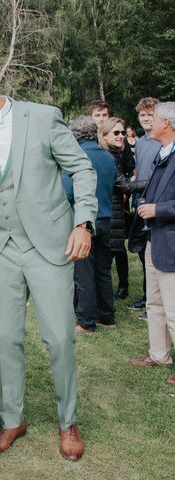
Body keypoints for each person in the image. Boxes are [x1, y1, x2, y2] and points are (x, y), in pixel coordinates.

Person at [0, 58, 97, 461]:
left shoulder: (44, 117)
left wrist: (83, 222)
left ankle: (68, 421)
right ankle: (12, 418)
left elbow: (82, 169)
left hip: (48, 246)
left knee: (59, 337)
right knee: (7, 337)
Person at [129, 101, 175, 387]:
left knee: (173, 306)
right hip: (153, 237)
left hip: (170, 239)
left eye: (154, 118)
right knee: (155, 301)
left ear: (166, 124)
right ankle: (159, 354)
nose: (150, 123)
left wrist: (158, 209)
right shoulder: (162, 152)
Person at [65, 116, 116, 333]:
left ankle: (86, 320)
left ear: (74, 135)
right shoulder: (108, 156)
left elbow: (68, 191)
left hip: (84, 220)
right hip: (106, 218)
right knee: (103, 270)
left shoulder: (77, 157)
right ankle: (107, 316)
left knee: (83, 272)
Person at [98, 117, 147, 301]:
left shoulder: (116, 153)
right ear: (104, 135)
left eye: (122, 133)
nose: (121, 136)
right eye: (116, 133)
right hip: (109, 210)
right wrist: (153, 181)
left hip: (116, 209)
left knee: (116, 251)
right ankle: (102, 305)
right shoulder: (108, 156)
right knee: (107, 258)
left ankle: (118, 290)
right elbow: (125, 186)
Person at [128, 97, 162, 315]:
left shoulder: (164, 141)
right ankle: (147, 295)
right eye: (143, 115)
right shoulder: (140, 142)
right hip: (140, 202)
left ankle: (158, 302)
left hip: (158, 204)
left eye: (151, 115)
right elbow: (138, 172)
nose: (147, 119)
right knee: (142, 253)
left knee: (157, 253)